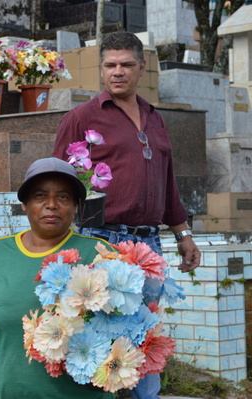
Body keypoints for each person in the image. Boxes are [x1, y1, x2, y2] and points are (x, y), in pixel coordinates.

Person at [52, 31, 201, 399]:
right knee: (100, 336)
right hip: (102, 240)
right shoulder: (82, 117)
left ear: (141, 68)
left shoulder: (154, 118)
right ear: (102, 69)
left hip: (149, 244)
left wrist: (183, 235)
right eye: (110, 65)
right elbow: (56, 181)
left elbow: (168, 183)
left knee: (143, 334)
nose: (118, 72)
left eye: (126, 65)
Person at [0, 157, 114, 399]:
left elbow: (123, 326)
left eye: (63, 197)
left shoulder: (99, 255)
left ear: (76, 206)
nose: (51, 205)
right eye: (40, 196)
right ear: (25, 204)